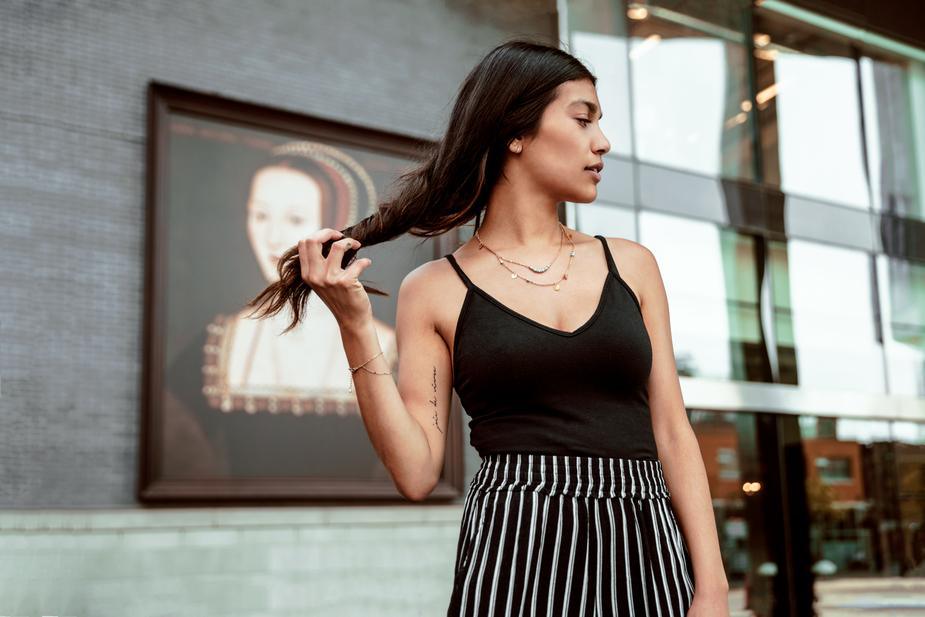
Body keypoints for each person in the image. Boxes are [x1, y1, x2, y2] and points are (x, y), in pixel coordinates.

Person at [247, 38, 730, 616]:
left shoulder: (632, 265)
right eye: (582, 120)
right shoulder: (435, 290)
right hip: (517, 548)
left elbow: (673, 431)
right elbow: (417, 472)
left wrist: (713, 586)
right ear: (515, 133)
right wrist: (355, 325)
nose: (601, 142)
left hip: (646, 543)